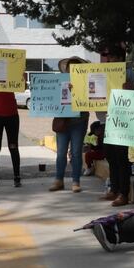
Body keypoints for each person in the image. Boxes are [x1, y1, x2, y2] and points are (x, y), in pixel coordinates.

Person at [96, 44, 134, 205]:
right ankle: (114, 189)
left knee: (121, 158)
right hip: (106, 120)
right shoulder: (101, 74)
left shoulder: (131, 74)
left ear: (119, 58)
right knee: (110, 156)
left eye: (111, 57)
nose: (108, 60)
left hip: (123, 122)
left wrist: (131, 90)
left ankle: (123, 194)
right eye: (106, 57)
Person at [50, 56, 90, 193]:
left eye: (75, 67)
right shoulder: (58, 82)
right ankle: (58, 180)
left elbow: (91, 100)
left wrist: (78, 90)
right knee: (60, 153)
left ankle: (75, 181)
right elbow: (51, 98)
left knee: (76, 152)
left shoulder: (85, 82)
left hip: (79, 122)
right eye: (70, 67)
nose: (72, 70)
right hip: (62, 121)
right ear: (66, 69)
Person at [0, 89, 21, 188]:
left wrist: (22, 79)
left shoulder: (13, 72)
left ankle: (17, 177)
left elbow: (23, 85)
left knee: (13, 147)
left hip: (11, 114)